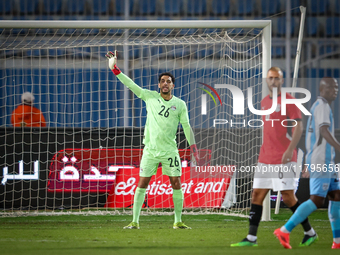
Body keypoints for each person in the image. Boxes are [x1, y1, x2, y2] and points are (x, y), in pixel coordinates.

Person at [106, 51, 199, 229]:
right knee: (143, 182)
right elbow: (131, 85)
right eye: (163, 81)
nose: (165, 83)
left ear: (173, 86)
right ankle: (134, 221)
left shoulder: (180, 104)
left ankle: (178, 221)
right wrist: (115, 69)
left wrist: (193, 145)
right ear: (159, 85)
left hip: (170, 150)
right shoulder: (149, 96)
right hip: (150, 149)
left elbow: (186, 126)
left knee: (176, 182)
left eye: (169, 81)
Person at [231, 67, 317, 247]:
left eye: (277, 78)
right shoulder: (263, 102)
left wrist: (289, 150)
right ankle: (251, 238)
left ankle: (310, 232)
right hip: (266, 158)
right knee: (256, 195)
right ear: (266, 80)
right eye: (270, 78)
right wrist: (263, 154)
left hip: (284, 158)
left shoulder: (290, 101)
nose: (273, 81)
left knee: (287, 197)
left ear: (282, 81)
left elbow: (298, 128)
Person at [274, 77, 340, 249]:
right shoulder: (323, 107)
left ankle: (337, 242)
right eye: (332, 87)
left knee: (336, 197)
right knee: (317, 200)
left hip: (326, 160)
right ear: (322, 89)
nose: (335, 90)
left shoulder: (318, 107)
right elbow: (324, 132)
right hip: (322, 160)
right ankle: (284, 230)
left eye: (337, 87)